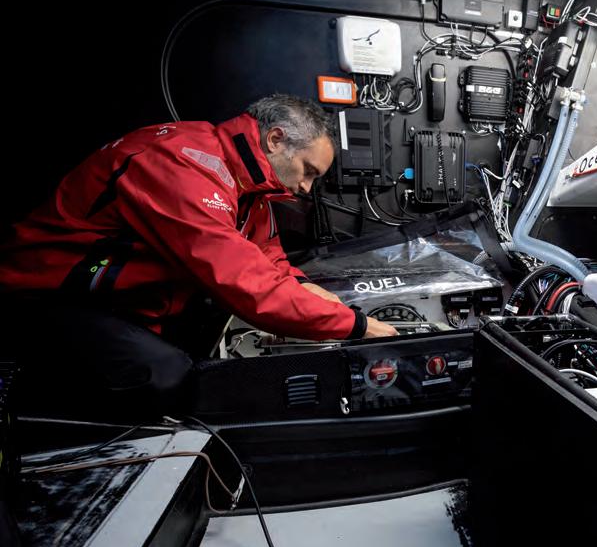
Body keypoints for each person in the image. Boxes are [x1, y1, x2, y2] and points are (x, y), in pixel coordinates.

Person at [0, 93, 397, 418]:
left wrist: (311, 292)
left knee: (207, 357)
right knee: (166, 375)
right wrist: (356, 326)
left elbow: (269, 261)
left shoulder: (250, 190)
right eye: (308, 170)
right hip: (49, 296)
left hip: (125, 303)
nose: (307, 188)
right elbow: (243, 281)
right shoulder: (180, 160)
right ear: (276, 140)